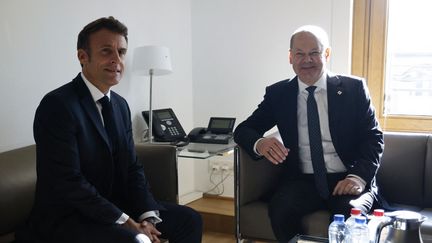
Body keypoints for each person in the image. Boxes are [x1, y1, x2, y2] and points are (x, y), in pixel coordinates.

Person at [16, 16, 202, 243]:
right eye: (106, 51)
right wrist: (127, 222)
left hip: (114, 209)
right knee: (136, 240)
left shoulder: (120, 105)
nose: (117, 60)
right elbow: (68, 181)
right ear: (83, 56)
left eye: (122, 52)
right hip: (69, 217)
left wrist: (148, 217)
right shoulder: (58, 105)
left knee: (189, 220)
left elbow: (133, 167)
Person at [234, 25, 384, 241]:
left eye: (314, 53)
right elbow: (244, 129)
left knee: (349, 217)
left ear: (327, 54)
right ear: (290, 57)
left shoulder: (353, 89)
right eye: (300, 54)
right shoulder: (279, 94)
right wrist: (260, 143)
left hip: (347, 177)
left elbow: (374, 138)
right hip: (303, 181)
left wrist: (358, 177)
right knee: (280, 209)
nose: (307, 60)